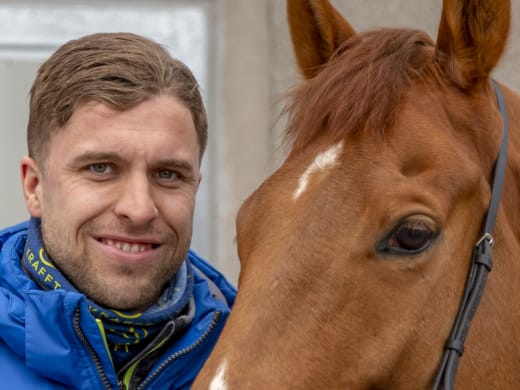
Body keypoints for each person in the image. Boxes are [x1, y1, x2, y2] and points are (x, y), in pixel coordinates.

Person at [0, 32, 236, 389]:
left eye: (168, 174)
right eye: (101, 168)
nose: (139, 209)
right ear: (35, 187)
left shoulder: (249, 354)